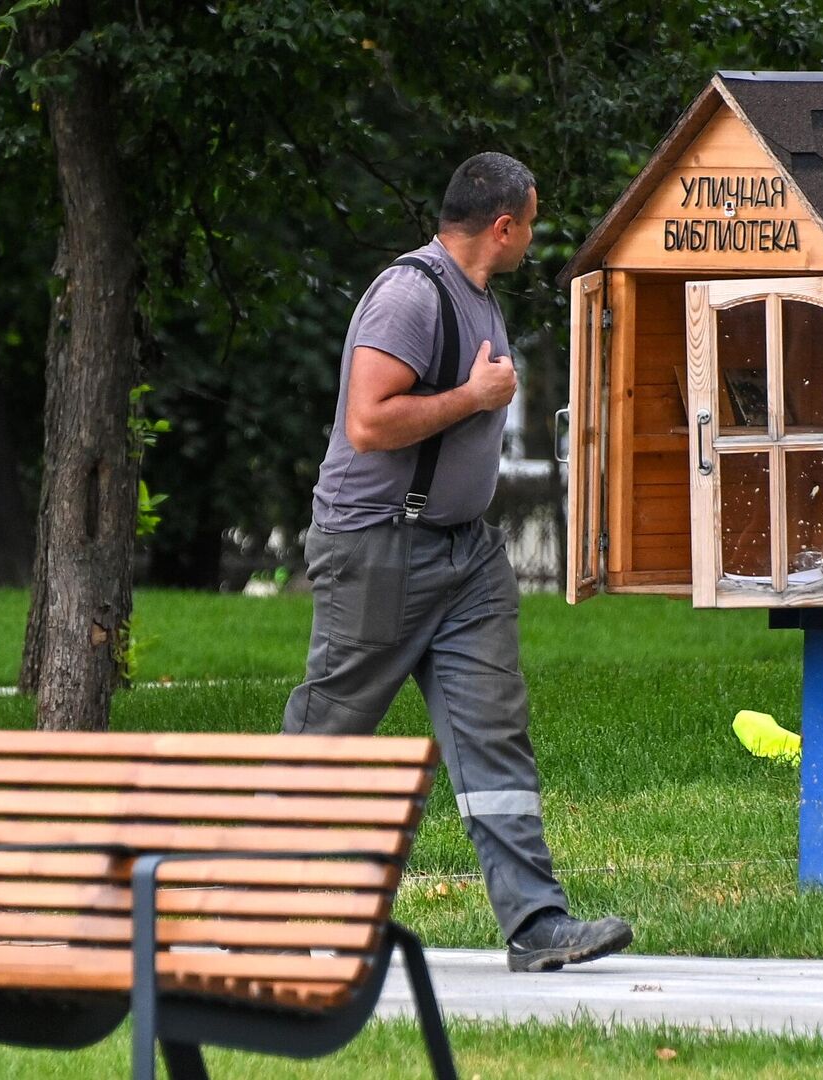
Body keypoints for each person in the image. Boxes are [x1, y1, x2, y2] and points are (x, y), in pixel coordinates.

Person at [283, 152, 633, 972]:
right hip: (378, 548)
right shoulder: (412, 294)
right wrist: (474, 401)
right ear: (504, 225)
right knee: (330, 736)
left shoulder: (478, 299)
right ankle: (257, 902)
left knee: (494, 736)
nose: (534, 237)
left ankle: (537, 923)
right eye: (533, 221)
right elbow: (369, 423)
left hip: (466, 558)